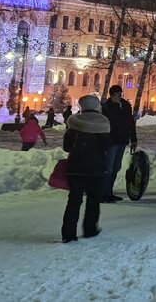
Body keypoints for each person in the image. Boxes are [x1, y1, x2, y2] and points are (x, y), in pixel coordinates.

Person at [61, 94, 110, 243]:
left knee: (74, 200)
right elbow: (107, 146)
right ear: (96, 106)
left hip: (75, 167)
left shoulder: (74, 124)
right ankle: (90, 229)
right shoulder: (104, 124)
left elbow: (67, 147)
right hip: (96, 168)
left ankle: (68, 234)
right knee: (93, 199)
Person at [100, 85, 137, 203]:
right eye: (116, 94)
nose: (119, 96)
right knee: (108, 168)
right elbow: (104, 125)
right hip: (112, 141)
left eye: (120, 94)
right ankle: (103, 193)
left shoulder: (125, 106)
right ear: (112, 95)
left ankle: (109, 192)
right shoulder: (107, 107)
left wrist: (133, 139)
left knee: (116, 167)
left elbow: (130, 123)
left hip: (122, 140)